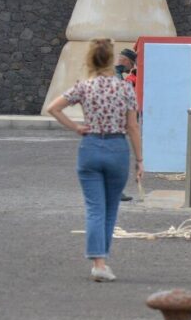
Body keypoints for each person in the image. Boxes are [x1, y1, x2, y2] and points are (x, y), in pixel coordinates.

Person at [46, 39, 142, 282]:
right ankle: (102, 261)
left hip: (90, 146)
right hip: (116, 147)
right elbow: (132, 127)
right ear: (111, 61)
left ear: (90, 60)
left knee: (94, 208)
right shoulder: (125, 89)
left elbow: (53, 108)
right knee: (111, 208)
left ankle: (98, 261)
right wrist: (140, 160)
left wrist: (76, 127)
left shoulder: (84, 87)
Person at [114, 47, 140, 202]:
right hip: (115, 128)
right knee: (118, 162)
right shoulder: (118, 78)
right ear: (125, 61)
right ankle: (117, 192)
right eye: (131, 64)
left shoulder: (112, 74)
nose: (131, 68)